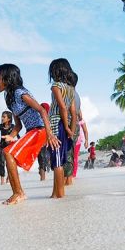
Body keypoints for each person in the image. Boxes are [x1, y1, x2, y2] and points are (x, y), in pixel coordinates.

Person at [0, 64, 59, 204]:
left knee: (8, 153)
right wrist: (11, 136)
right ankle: (17, 193)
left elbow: (42, 110)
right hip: (32, 131)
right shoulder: (9, 97)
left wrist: (50, 134)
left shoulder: (19, 92)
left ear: (7, 79)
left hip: (40, 129)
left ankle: (19, 193)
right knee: (8, 154)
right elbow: (18, 125)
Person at [47, 58, 78, 199]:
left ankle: (60, 194)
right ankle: (56, 192)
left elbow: (62, 107)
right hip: (66, 126)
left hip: (56, 124)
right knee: (59, 158)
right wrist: (70, 130)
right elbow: (74, 112)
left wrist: (65, 126)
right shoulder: (71, 88)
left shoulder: (56, 86)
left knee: (57, 160)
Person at [0, 111, 15, 185]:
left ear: (9, 118)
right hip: (2, 146)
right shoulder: (0, 126)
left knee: (9, 163)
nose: (2, 118)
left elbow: (17, 135)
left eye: (4, 117)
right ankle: (2, 181)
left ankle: (8, 178)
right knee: (1, 163)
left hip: (10, 147)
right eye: (2, 116)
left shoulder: (13, 126)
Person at [37, 103, 51, 181]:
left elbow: (49, 130)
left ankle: (43, 179)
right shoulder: (37, 117)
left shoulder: (48, 118)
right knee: (41, 159)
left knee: (43, 159)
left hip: (46, 141)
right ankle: (42, 176)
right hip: (38, 141)